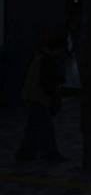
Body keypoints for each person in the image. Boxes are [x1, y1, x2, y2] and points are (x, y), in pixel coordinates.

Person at [15, 33, 67, 163]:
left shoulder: (41, 57)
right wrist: (54, 96)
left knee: (33, 127)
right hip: (40, 97)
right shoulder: (46, 60)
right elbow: (47, 82)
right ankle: (49, 154)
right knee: (45, 128)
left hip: (34, 96)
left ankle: (27, 153)